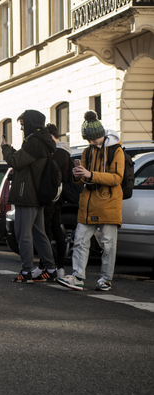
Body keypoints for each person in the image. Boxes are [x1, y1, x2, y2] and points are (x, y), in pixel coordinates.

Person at [56, 111, 124, 291]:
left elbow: (117, 178)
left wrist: (90, 174)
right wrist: (78, 174)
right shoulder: (87, 151)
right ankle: (78, 277)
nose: (90, 142)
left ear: (100, 135)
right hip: (88, 204)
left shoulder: (116, 150)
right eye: (88, 139)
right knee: (80, 240)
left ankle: (105, 279)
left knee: (108, 244)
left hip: (109, 203)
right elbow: (82, 180)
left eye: (92, 139)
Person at [1, 110, 57, 283]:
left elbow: (16, 162)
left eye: (23, 125)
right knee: (39, 233)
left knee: (23, 234)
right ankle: (50, 268)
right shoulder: (43, 140)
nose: (22, 129)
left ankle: (26, 273)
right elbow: (25, 160)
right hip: (37, 193)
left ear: (31, 123)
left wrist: (5, 148)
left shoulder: (34, 141)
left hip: (28, 194)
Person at [37, 123, 72, 279]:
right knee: (56, 232)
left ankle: (47, 267)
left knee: (46, 232)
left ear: (51, 136)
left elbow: (52, 176)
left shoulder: (58, 152)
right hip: (59, 197)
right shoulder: (65, 152)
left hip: (52, 198)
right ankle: (58, 268)